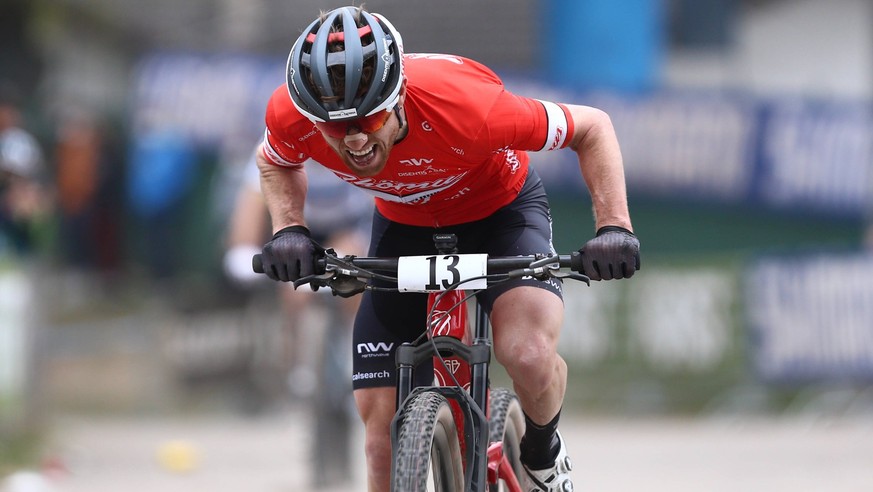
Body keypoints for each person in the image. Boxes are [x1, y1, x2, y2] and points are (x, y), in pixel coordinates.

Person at [255, 6, 641, 492]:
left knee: (526, 353)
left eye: (368, 120)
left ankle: (543, 452)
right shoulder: (293, 113)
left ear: (398, 99)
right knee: (378, 439)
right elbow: (274, 163)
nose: (353, 140)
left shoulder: (467, 106)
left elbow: (592, 127)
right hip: (404, 226)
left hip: (501, 214)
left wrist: (614, 228)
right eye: (336, 129)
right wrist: (289, 229)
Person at [223, 143, 370, 488]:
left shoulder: (355, 140)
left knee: (351, 263)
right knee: (291, 278)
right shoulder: (277, 142)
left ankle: (355, 352)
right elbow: (250, 205)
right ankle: (301, 360)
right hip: (298, 227)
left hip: (350, 225)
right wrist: (240, 252)